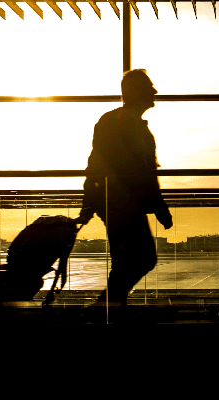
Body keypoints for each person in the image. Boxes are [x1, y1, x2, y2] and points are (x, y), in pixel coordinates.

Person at [76, 69, 173, 307]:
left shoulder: (111, 121)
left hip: (114, 203)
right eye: (149, 86)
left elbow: (95, 164)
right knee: (144, 258)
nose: (155, 91)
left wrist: (89, 203)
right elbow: (145, 175)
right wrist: (160, 209)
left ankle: (111, 308)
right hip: (125, 205)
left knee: (125, 261)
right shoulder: (132, 127)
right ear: (137, 92)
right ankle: (107, 306)